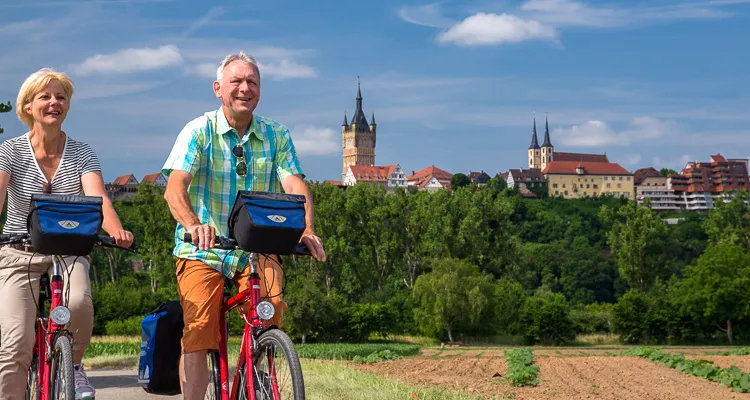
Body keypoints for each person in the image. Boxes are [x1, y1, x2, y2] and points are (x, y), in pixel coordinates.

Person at [162, 51, 326, 399]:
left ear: (260, 91)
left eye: (252, 82)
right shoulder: (199, 130)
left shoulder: (276, 135)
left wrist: (306, 229)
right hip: (204, 248)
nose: (244, 88)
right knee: (200, 327)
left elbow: (295, 185)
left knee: (272, 307)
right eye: (236, 81)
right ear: (218, 88)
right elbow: (175, 187)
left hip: (258, 245)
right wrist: (193, 224)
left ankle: (258, 375)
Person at [0, 68, 134, 399]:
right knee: (15, 343)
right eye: (45, 96)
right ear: (28, 106)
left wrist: (117, 230)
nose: (54, 102)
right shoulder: (10, 151)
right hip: (19, 251)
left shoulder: (82, 153)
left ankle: (73, 365)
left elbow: (99, 200)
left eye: (61, 96)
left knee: (78, 302)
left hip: (69, 249)